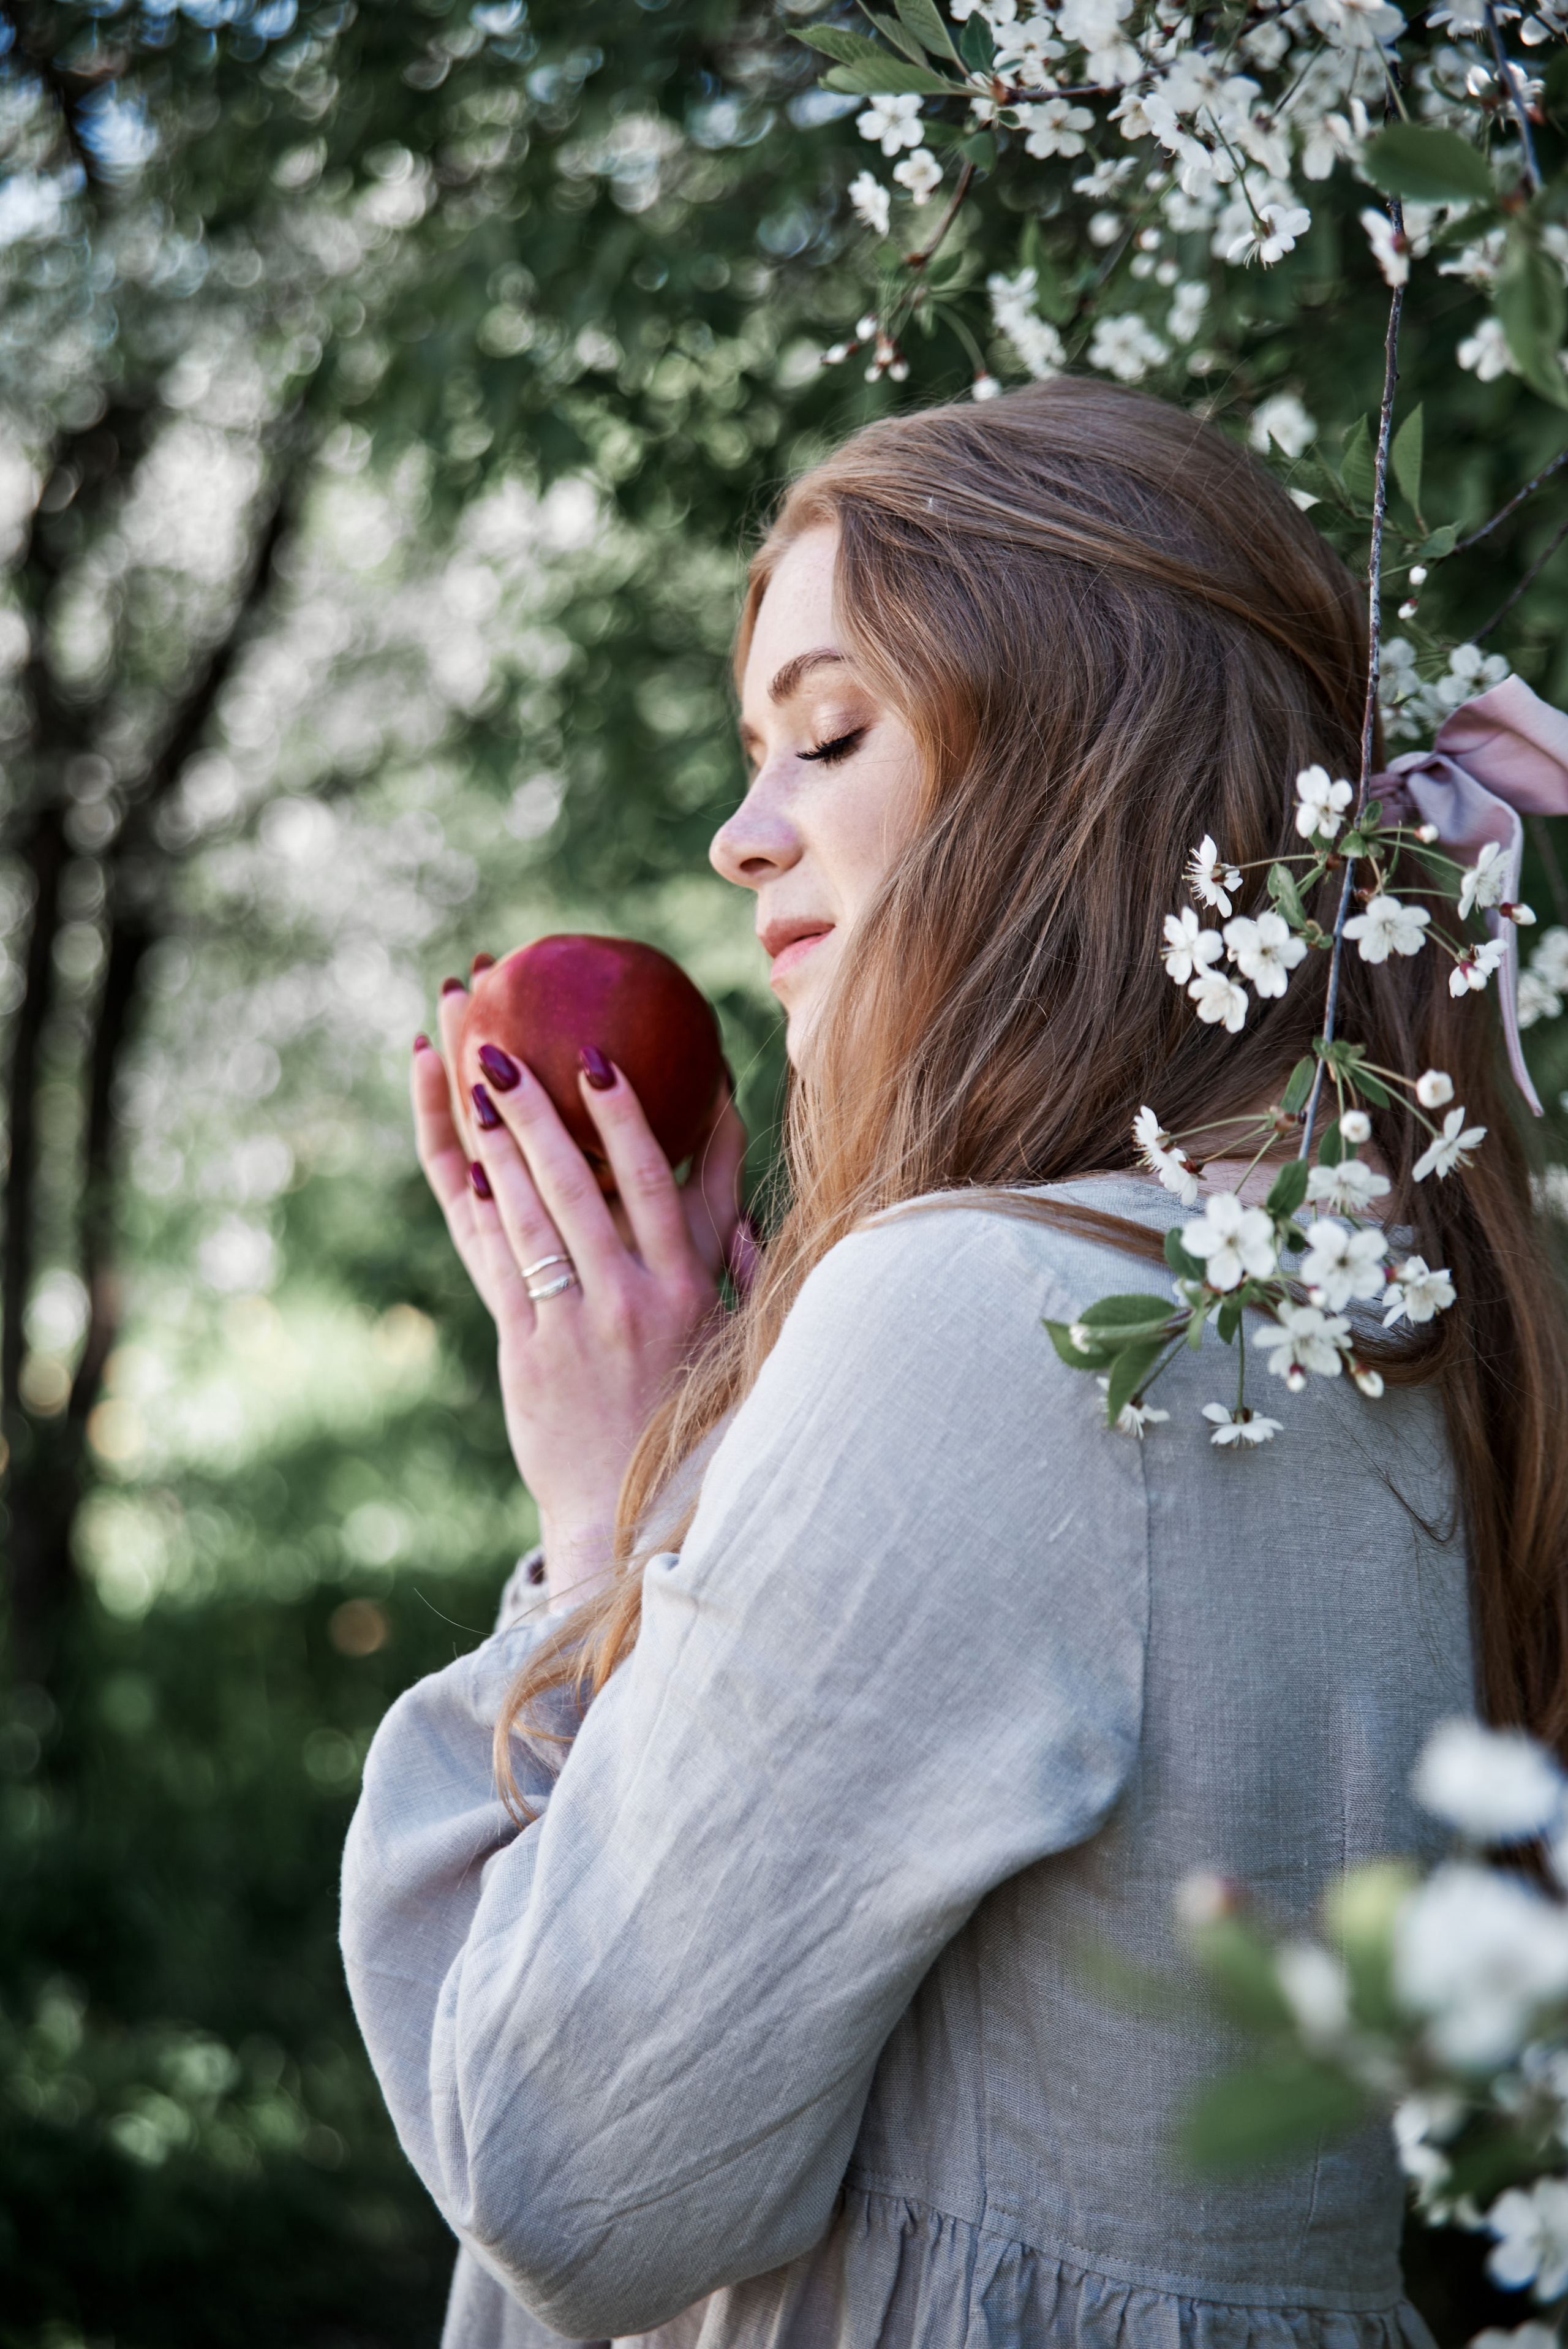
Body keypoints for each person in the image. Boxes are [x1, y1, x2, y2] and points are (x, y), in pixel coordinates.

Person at [340, 379, 1568, 2349]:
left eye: (827, 734)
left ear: (1078, 762)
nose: (743, 836)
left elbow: (568, 2172)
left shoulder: (980, 1316)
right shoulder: (1388, 1305)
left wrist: (601, 1513)